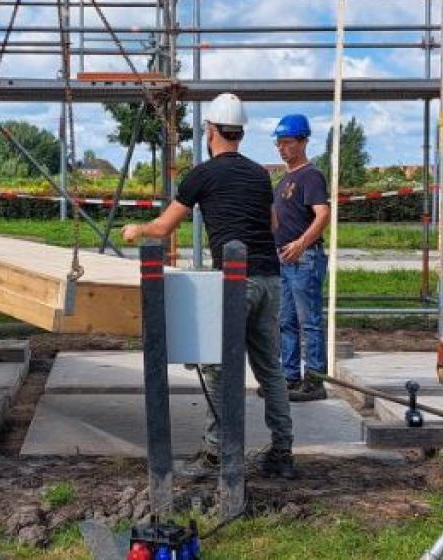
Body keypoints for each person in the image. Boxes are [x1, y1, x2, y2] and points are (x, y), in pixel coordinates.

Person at [124, 93, 297, 479]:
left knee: (218, 366)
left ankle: (217, 452)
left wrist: (136, 229)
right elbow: (272, 225)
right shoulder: (259, 174)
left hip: (237, 282)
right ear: (241, 132)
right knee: (270, 369)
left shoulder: (202, 174)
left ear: (212, 131)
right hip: (270, 279)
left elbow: (163, 228)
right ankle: (282, 452)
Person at [270, 114, 332, 402]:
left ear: (303, 141)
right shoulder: (285, 179)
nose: (282, 148)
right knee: (286, 321)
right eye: (279, 143)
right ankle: (290, 376)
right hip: (284, 258)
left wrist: (301, 243)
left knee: (309, 322)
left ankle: (315, 380)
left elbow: (323, 214)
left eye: (287, 142)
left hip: (304, 258)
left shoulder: (310, 176)